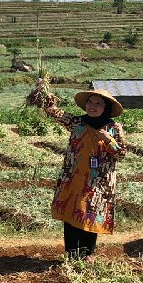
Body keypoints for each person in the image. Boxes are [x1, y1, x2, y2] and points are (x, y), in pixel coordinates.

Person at [50, 89, 126, 260]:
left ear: (105, 107)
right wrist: (45, 96)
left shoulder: (113, 128)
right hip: (73, 177)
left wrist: (109, 140)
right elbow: (55, 113)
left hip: (98, 181)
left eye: (98, 103)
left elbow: (121, 154)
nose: (93, 106)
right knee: (71, 213)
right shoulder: (77, 122)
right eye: (90, 102)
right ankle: (71, 253)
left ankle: (87, 253)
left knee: (90, 213)